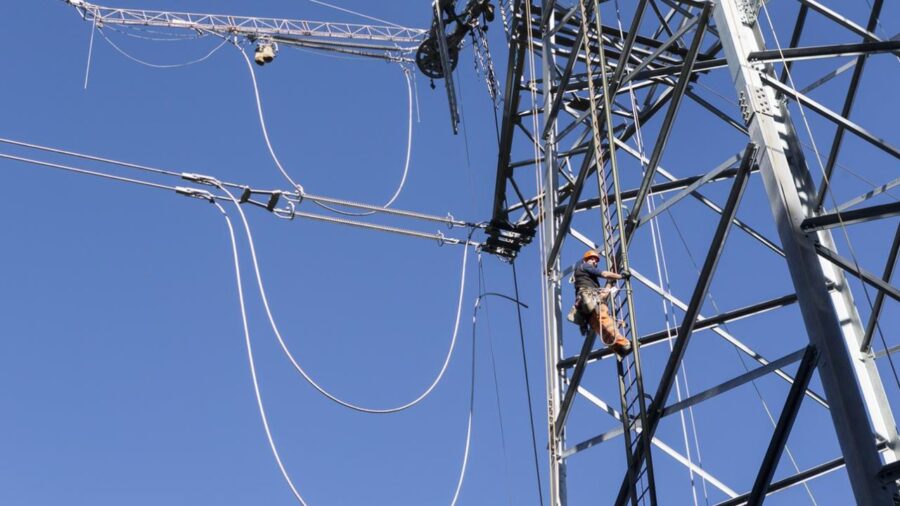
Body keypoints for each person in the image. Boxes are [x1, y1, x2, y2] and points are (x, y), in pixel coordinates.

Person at [571, 249, 631, 355]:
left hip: (586, 309)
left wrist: (609, 286)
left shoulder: (583, 277)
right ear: (586, 260)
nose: (595, 262)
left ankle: (619, 349)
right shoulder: (585, 266)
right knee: (606, 321)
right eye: (592, 259)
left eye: (596, 260)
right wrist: (621, 276)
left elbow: (601, 291)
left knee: (601, 329)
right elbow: (604, 274)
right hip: (591, 301)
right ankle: (624, 344)